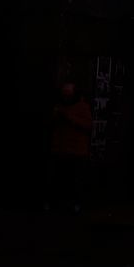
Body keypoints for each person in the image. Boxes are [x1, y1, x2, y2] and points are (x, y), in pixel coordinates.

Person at [46, 81, 92, 214]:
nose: (66, 96)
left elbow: (88, 125)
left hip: (76, 150)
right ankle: (58, 203)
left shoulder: (82, 107)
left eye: (68, 93)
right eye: (64, 93)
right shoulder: (59, 106)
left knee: (75, 180)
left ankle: (75, 204)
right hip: (60, 149)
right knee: (57, 179)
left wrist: (68, 117)